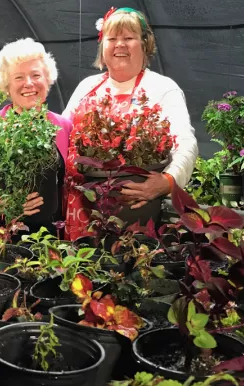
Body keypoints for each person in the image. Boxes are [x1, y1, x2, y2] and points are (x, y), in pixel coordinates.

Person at [62, 7, 198, 240]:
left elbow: (186, 143)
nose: (120, 45)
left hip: (135, 209)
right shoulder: (87, 87)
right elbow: (61, 136)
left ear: (145, 45)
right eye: (112, 38)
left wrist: (167, 181)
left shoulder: (162, 89)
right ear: (102, 46)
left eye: (129, 38)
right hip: (81, 207)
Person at [0, 38, 72, 233]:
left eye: (36, 75)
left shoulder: (64, 126)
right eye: (18, 77)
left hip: (53, 236)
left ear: (47, 80)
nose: (28, 84)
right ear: (6, 85)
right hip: (4, 234)